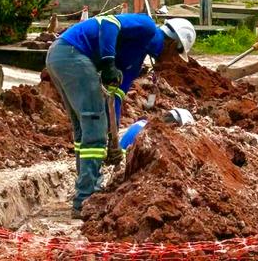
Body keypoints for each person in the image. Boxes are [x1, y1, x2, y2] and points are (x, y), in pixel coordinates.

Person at [46, 14, 196, 216]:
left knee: (85, 130)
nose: (173, 62)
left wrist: (113, 139)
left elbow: (115, 98)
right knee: (94, 125)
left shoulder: (135, 61)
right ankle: (86, 198)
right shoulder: (147, 27)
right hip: (73, 53)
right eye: (177, 57)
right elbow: (109, 23)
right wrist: (108, 62)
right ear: (173, 44)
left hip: (63, 56)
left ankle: (85, 192)